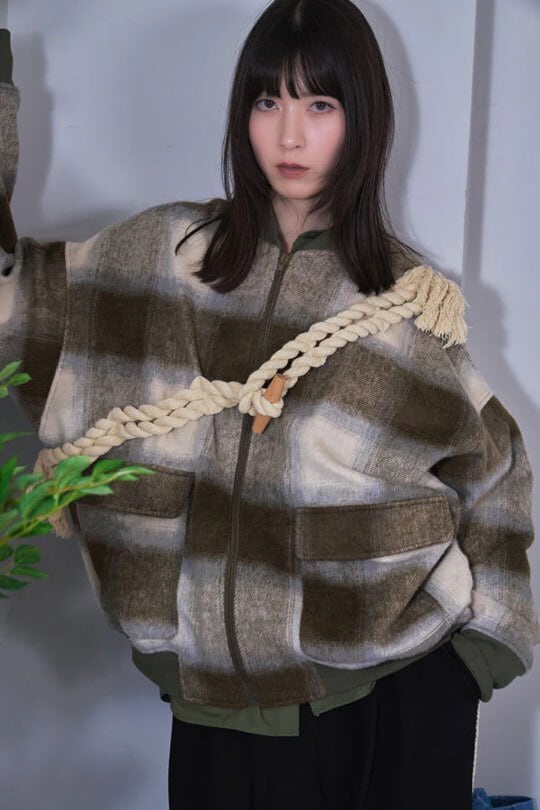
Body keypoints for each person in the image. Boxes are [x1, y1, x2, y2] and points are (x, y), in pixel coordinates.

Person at [0, 2, 538, 808]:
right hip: (214, 705)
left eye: (320, 104)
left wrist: (484, 653)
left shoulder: (408, 306)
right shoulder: (154, 260)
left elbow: (496, 475)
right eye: (267, 101)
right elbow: (9, 295)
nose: (290, 135)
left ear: (362, 120)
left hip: (398, 698)